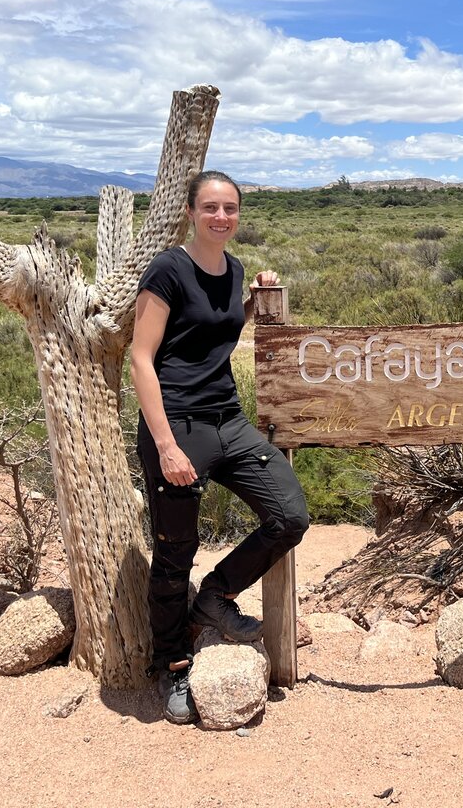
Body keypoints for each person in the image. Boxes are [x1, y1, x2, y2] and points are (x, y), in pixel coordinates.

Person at [131, 170, 309, 725]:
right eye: (210, 207)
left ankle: (214, 596)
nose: (221, 216)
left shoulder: (232, 270)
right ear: (191, 212)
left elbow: (216, 331)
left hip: (228, 419)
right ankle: (173, 666)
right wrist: (166, 446)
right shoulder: (168, 269)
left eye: (229, 208)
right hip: (178, 425)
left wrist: (253, 301)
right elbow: (141, 358)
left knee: (289, 515)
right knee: (174, 551)